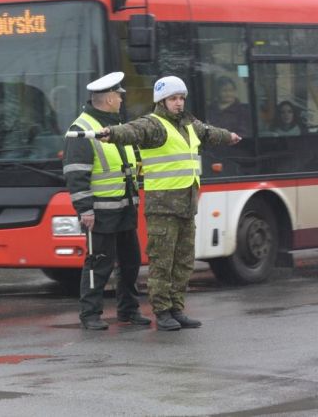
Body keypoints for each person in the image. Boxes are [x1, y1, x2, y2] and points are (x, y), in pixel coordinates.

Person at [99, 76, 242, 331]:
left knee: (183, 261)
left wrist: (228, 136)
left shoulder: (189, 125)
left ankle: (177, 308)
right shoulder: (154, 125)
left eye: (181, 98)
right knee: (162, 262)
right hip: (162, 208)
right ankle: (162, 311)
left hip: (186, 206)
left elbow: (209, 132)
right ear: (162, 101)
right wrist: (112, 134)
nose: (179, 103)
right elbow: (133, 130)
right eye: (173, 98)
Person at [63, 72, 151, 330]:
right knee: (98, 264)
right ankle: (90, 314)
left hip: (125, 209)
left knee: (131, 262)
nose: (122, 100)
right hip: (100, 213)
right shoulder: (81, 130)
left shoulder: (118, 126)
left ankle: (128, 310)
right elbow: (75, 175)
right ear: (110, 99)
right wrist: (85, 210)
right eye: (119, 96)